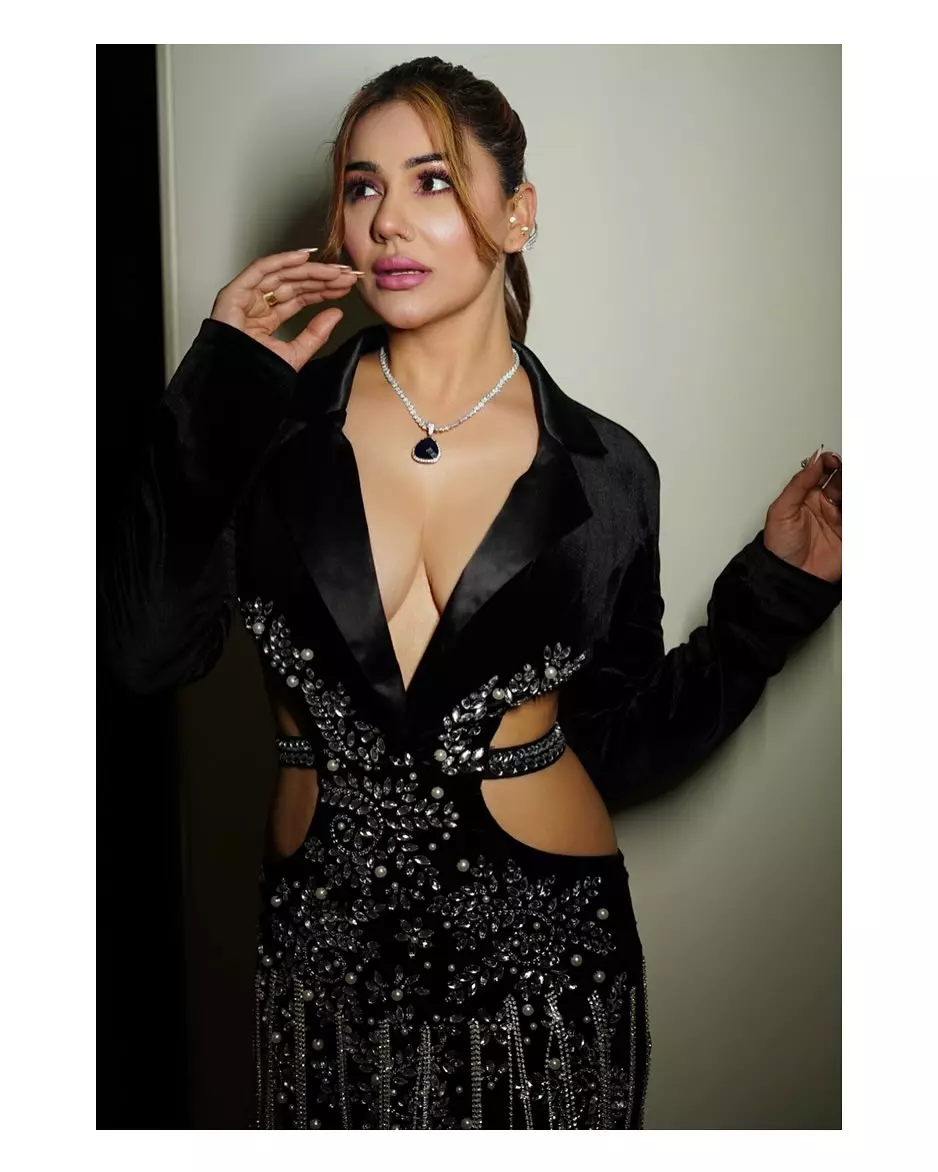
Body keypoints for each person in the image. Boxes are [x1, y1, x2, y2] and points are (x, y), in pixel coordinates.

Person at [100, 56, 842, 1130]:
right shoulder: (262, 432)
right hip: (325, 970)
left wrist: (774, 597)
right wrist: (217, 383)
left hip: (549, 967)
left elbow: (616, 745)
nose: (387, 220)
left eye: (433, 180)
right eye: (362, 187)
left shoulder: (607, 472)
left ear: (517, 212)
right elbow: (142, 652)